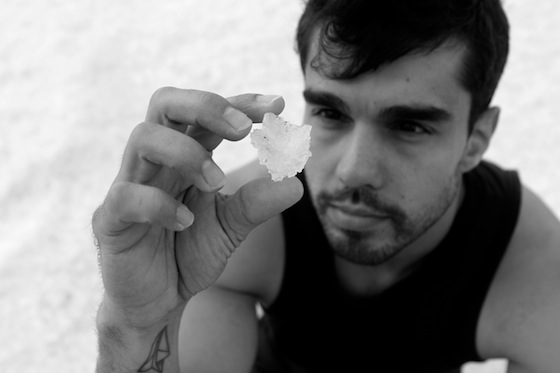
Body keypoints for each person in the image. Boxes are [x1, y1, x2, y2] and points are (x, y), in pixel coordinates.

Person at [92, 0, 560, 372]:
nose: (353, 171)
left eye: (410, 126)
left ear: (476, 139)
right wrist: (135, 325)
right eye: (331, 113)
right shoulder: (233, 230)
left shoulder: (532, 272)